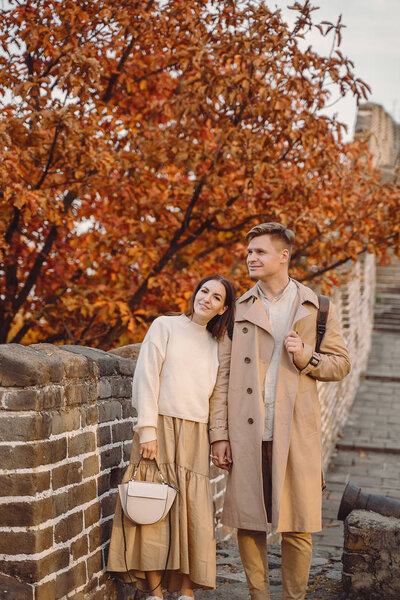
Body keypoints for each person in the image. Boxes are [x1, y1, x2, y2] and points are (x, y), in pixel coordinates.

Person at [210, 223, 351, 600]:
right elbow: (222, 376)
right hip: (246, 432)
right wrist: (219, 434)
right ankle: (259, 596)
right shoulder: (238, 308)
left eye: (259, 252)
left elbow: (341, 365)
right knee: (248, 522)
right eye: (249, 252)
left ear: (283, 256)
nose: (250, 258)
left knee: (298, 526)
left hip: (296, 432)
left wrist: (306, 356)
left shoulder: (316, 307)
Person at [107, 275, 236, 600]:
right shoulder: (164, 326)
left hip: (195, 433)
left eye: (216, 297)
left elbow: (218, 395)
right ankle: (155, 592)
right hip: (159, 428)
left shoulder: (217, 343)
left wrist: (216, 436)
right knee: (153, 504)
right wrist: (147, 429)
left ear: (224, 307)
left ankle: (187, 591)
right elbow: (146, 378)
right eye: (204, 290)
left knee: (191, 511)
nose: (207, 298)